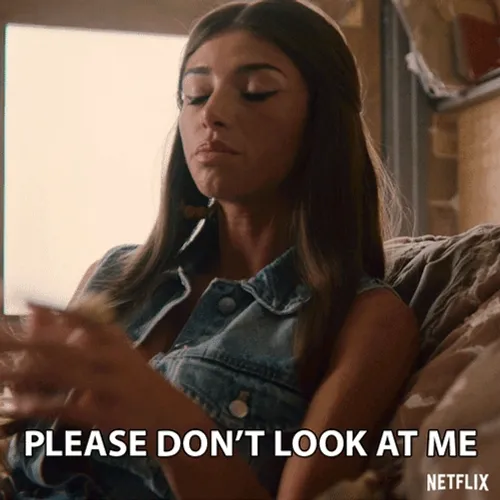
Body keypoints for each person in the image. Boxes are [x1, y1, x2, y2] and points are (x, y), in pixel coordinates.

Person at [0, 0, 419, 498]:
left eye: (256, 91)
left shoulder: (365, 319)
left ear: (323, 122)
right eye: (195, 95)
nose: (211, 114)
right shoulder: (113, 275)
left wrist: (162, 415)